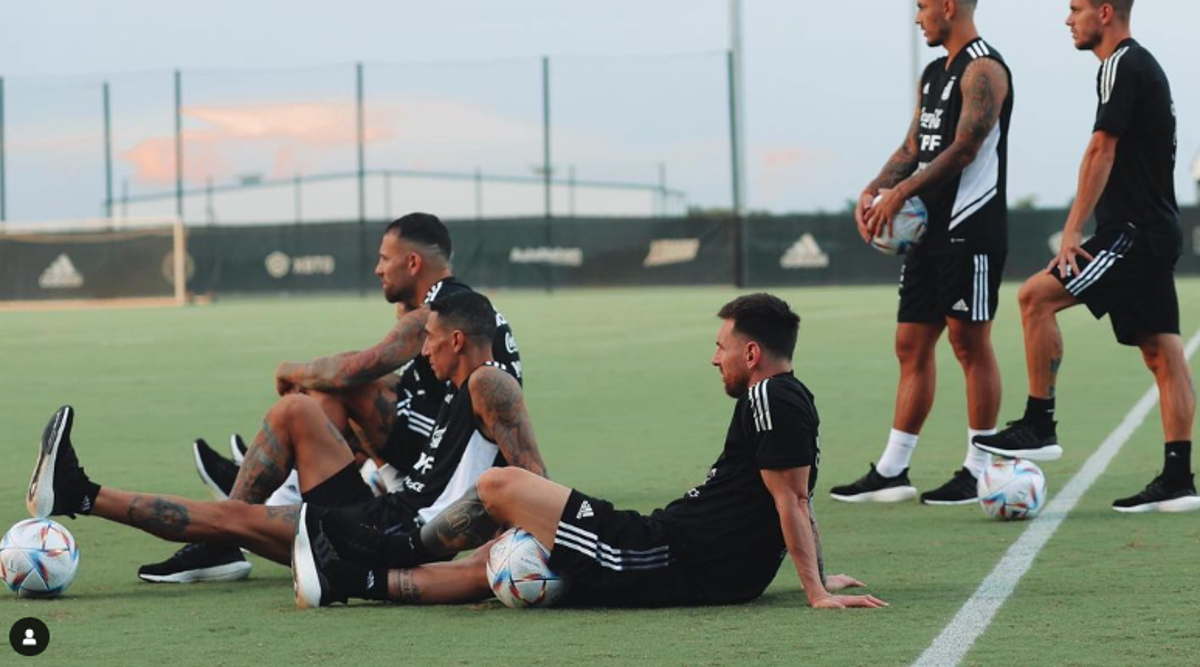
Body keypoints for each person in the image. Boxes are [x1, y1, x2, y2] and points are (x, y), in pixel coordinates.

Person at [292, 293, 887, 610]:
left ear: (752, 353)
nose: (715, 358)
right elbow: (791, 494)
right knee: (496, 563)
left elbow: (791, 497)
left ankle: (384, 545)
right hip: (668, 547)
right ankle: (355, 580)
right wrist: (819, 572)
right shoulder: (786, 398)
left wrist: (815, 590)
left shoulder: (770, 400)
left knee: (504, 490)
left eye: (722, 347)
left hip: (667, 559)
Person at [26, 290, 547, 573]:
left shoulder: (489, 383)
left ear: (457, 340)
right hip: (383, 512)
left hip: (388, 536)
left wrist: (501, 561)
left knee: (228, 518)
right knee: (296, 412)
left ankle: (80, 493)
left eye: (430, 341)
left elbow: (535, 482)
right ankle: (220, 532)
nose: (424, 350)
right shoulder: (461, 387)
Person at [137, 212, 523, 582]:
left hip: (447, 462)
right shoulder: (454, 307)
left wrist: (293, 370)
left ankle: (258, 503)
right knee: (336, 392)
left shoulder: (437, 314)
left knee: (343, 385)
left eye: (384, 258)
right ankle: (275, 486)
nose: (377, 268)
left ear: (413, 262)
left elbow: (356, 369)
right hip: (442, 448)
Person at [974, 0, 1199, 513]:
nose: (1067, 18)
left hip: (1133, 232)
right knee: (1162, 351)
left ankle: (1038, 423)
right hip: (1154, 228)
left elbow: (1102, 149)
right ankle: (1177, 480)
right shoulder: (1140, 66)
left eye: (1075, 8)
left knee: (1034, 296)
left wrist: (1074, 229)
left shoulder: (1120, 64)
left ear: (1105, 13)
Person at [831, 0, 1014, 506]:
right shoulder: (935, 72)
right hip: (928, 234)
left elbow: (965, 148)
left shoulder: (986, 69)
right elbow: (915, 144)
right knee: (911, 344)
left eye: (923, 7)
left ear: (949, 9)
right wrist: (873, 190)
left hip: (970, 229)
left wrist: (900, 191)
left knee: (968, 343)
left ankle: (978, 468)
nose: (917, 17)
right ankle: (893, 470)